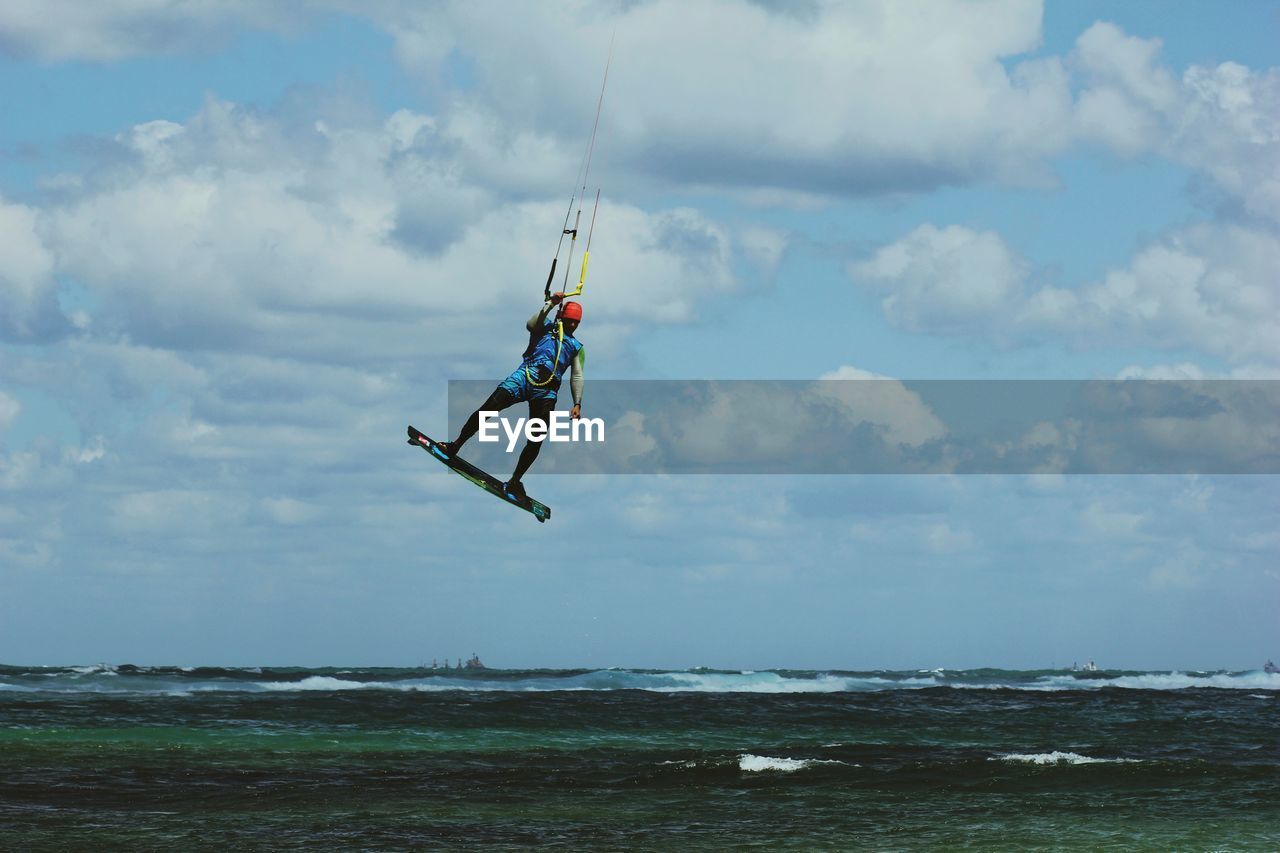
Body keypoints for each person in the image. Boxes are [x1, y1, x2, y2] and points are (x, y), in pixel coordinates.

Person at [439, 291, 585, 498]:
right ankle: (455, 445)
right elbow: (530, 324)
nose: (572, 326)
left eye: (575, 323)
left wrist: (577, 402)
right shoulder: (545, 327)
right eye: (569, 321)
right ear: (562, 317)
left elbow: (577, 375)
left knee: (537, 437)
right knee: (487, 410)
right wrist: (550, 304)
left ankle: (516, 480)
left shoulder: (577, 347)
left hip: (547, 391)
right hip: (524, 377)